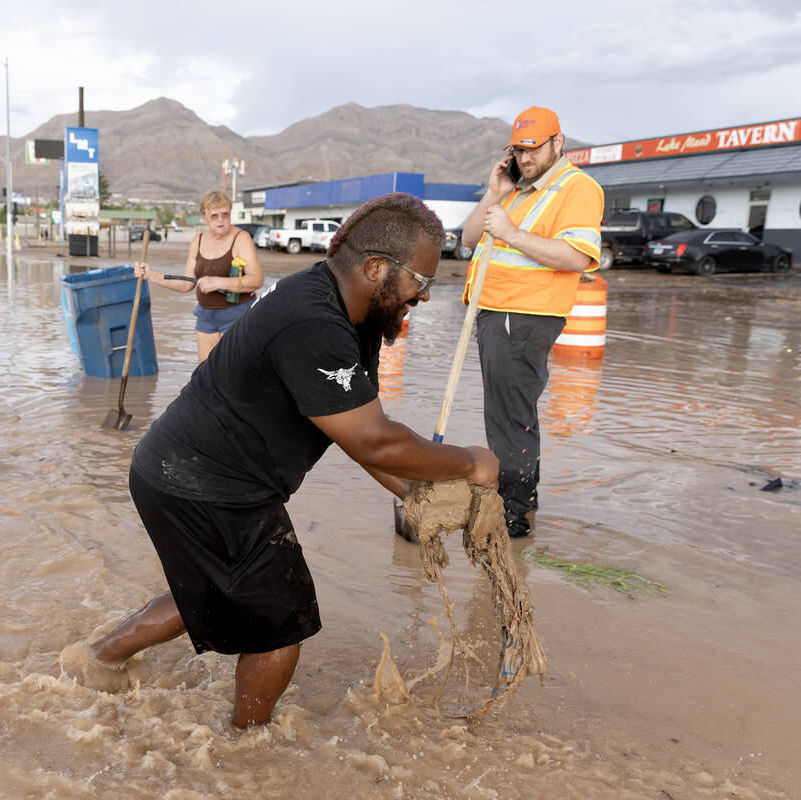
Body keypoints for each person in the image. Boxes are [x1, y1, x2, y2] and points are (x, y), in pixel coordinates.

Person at [60, 193, 500, 728]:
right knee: (283, 623)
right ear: (377, 267)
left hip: (177, 471)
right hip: (208, 486)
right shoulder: (313, 322)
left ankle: (97, 661)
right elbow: (376, 441)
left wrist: (414, 493)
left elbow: (350, 429)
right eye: (421, 282)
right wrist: (470, 463)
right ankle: (245, 754)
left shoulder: (351, 313)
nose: (424, 298)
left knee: (213, 590)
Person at [459, 106, 604, 538]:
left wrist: (510, 233)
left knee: (508, 416)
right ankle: (524, 500)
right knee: (511, 412)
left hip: (524, 315)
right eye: (518, 150)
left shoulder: (576, 188)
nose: (525, 159)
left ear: (558, 143)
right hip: (497, 311)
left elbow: (577, 257)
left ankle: (513, 515)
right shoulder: (518, 192)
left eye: (533, 148)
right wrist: (493, 193)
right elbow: (468, 238)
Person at [134, 190, 262, 362]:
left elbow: (257, 280)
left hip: (237, 315)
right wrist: (152, 276)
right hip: (206, 316)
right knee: (205, 375)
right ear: (204, 218)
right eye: (215, 215)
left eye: (225, 214)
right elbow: (187, 284)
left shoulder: (241, 238)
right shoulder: (198, 240)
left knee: (233, 374)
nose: (221, 220)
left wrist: (218, 282)